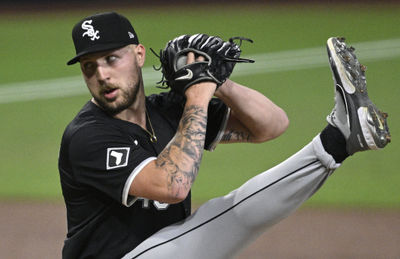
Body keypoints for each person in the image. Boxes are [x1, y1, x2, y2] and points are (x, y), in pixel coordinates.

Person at [58, 12, 390, 259]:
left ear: (139, 55)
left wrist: (219, 82)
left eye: (111, 58)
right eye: (89, 66)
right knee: (226, 214)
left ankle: (338, 141)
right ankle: (337, 139)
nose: (102, 74)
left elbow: (272, 125)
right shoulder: (87, 136)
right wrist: (198, 94)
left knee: (222, 218)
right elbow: (172, 186)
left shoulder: (169, 112)